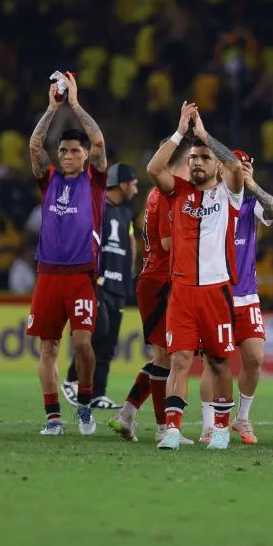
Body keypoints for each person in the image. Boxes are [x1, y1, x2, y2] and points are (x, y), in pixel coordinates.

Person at [147, 103, 244, 451]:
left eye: (204, 158)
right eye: (193, 159)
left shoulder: (230, 193)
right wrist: (179, 134)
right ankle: (172, 429)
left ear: (215, 163)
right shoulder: (178, 193)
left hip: (216, 292)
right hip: (182, 292)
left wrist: (203, 136)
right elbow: (154, 167)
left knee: (219, 362)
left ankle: (220, 428)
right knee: (179, 360)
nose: (198, 162)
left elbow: (234, 166)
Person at [27, 72, 108, 437]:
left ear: (85, 155)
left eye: (75, 150)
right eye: (63, 151)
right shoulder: (50, 179)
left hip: (81, 275)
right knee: (48, 348)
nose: (69, 155)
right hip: (48, 274)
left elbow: (99, 139)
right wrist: (51, 109)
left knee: (82, 344)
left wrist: (74, 104)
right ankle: (53, 417)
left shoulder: (95, 181)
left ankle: (86, 405)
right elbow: (34, 146)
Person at [108, 140, 195, 444]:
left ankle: (127, 414)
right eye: (192, 161)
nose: (195, 168)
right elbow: (170, 244)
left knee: (165, 357)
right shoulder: (167, 195)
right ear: (181, 162)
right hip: (161, 281)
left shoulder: (157, 193)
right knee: (165, 359)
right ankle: (163, 428)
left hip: (156, 280)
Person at [197, 150, 273, 444]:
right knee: (213, 363)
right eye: (235, 166)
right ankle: (208, 425)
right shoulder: (207, 201)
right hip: (215, 294)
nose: (239, 171)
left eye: (245, 166)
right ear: (221, 169)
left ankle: (242, 418)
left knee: (255, 358)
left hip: (247, 296)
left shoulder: (250, 205)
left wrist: (253, 185)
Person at [63, 162, 139, 409]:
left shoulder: (126, 213)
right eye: (134, 185)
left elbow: (130, 242)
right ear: (124, 184)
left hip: (119, 283)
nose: (136, 190)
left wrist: (129, 272)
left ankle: (98, 394)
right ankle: (72, 379)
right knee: (98, 331)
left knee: (108, 345)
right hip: (99, 281)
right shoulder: (96, 207)